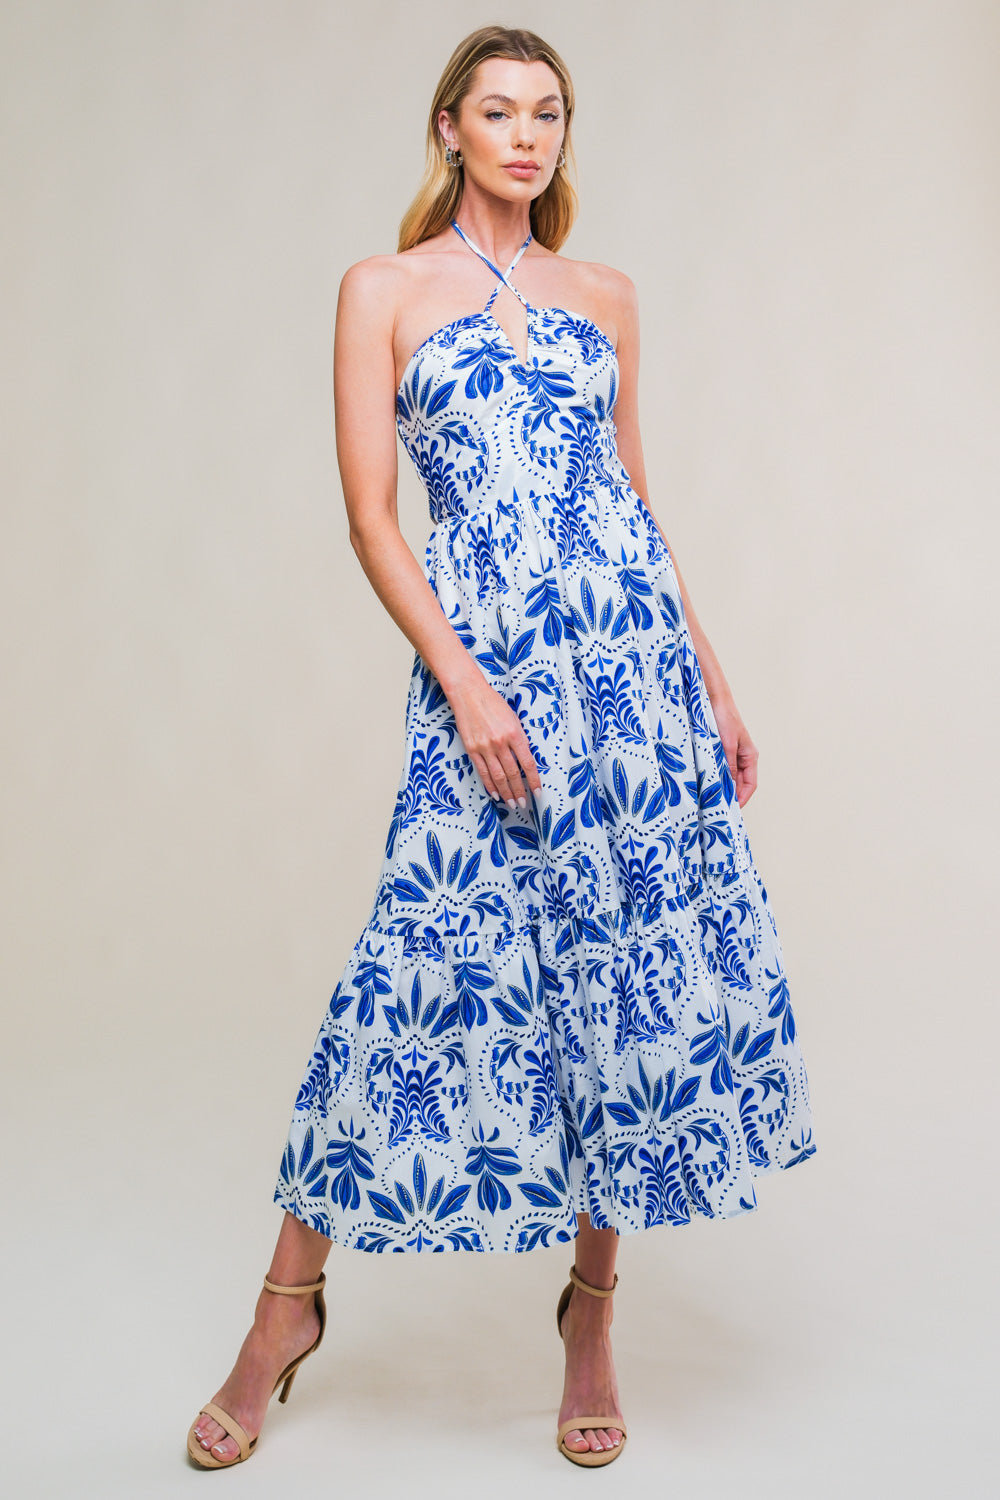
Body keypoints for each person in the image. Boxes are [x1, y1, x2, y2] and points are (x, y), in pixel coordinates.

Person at [187, 22, 817, 1472]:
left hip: (633, 688)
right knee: (416, 963)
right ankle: (286, 1311)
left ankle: (592, 1315)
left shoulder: (605, 293)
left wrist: (708, 677)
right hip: (493, 691)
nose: (527, 136)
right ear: (448, 129)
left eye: (549, 114)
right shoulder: (382, 290)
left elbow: (635, 506)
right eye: (500, 112)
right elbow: (370, 520)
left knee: (615, 985)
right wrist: (462, 683)